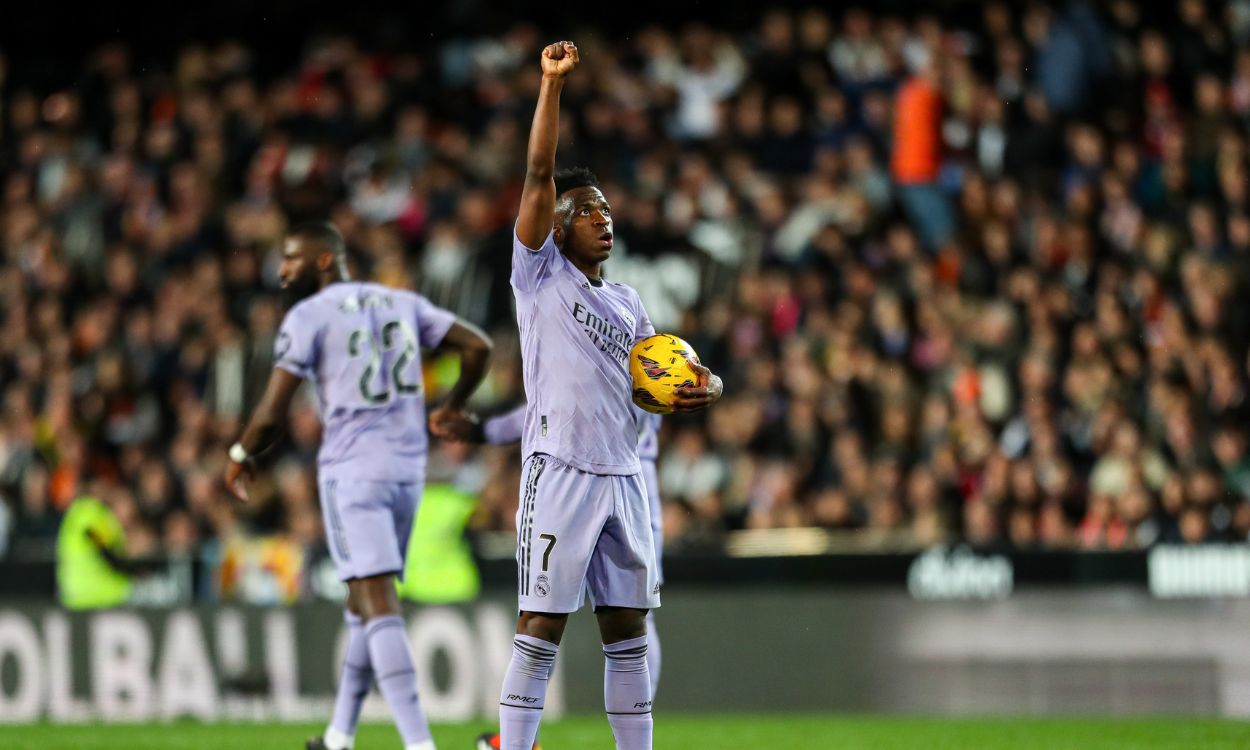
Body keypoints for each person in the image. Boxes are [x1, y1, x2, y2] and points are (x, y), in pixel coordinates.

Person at [496, 41, 722, 750]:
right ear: (557, 227)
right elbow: (538, 170)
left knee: (627, 633)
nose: (605, 218)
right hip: (560, 469)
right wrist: (551, 86)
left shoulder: (628, 304)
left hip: (624, 477)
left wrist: (705, 385)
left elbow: (669, 374)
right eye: (589, 211)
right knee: (542, 628)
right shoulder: (538, 276)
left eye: (607, 210)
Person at [225, 221, 493, 750]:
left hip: (352, 472)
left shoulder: (308, 315)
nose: (281, 271)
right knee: (364, 601)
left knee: (374, 599)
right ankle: (339, 735)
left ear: (325, 260)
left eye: (290, 259)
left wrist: (241, 454)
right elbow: (478, 347)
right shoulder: (401, 302)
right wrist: (454, 403)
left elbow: (272, 411)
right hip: (408, 470)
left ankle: (419, 744)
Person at [455, 406, 665, 750]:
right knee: (551, 619)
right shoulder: (641, 351)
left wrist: (484, 430)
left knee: (625, 622)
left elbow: (562, 403)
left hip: (602, 479)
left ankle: (525, 738)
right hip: (629, 483)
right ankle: (524, 739)